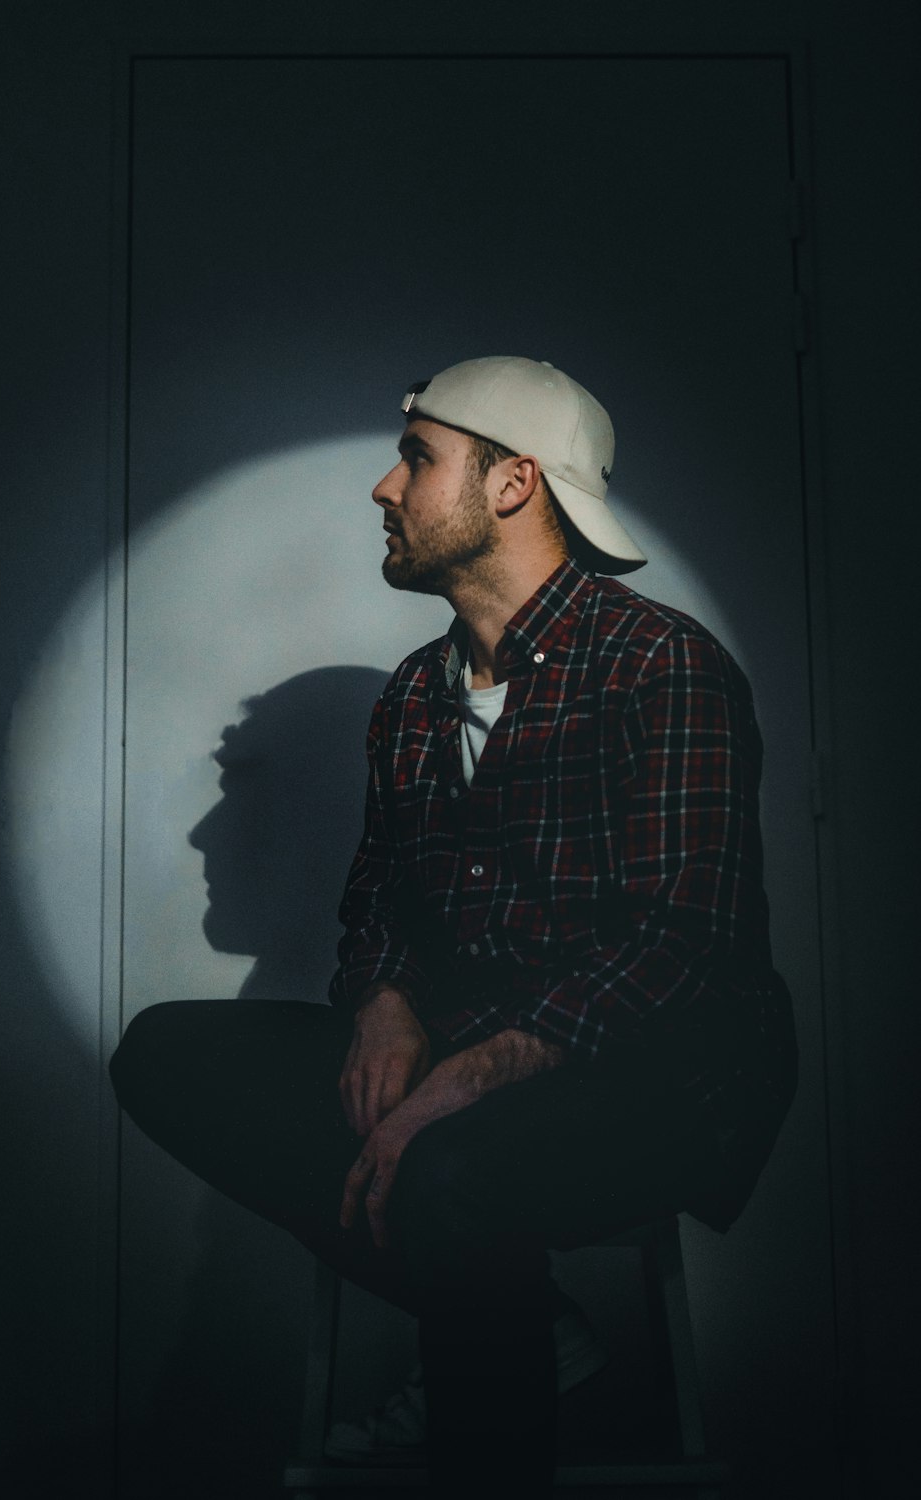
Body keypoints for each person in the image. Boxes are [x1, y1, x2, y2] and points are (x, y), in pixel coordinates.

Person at [110, 355, 797, 1498]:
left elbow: (678, 936)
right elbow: (378, 895)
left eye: (418, 459)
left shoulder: (659, 665)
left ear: (515, 482)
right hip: (475, 1048)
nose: (384, 487)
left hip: (662, 1075)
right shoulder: (415, 696)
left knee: (448, 1171)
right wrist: (381, 1004)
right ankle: (537, 1335)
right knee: (166, 1054)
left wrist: (464, 1077)